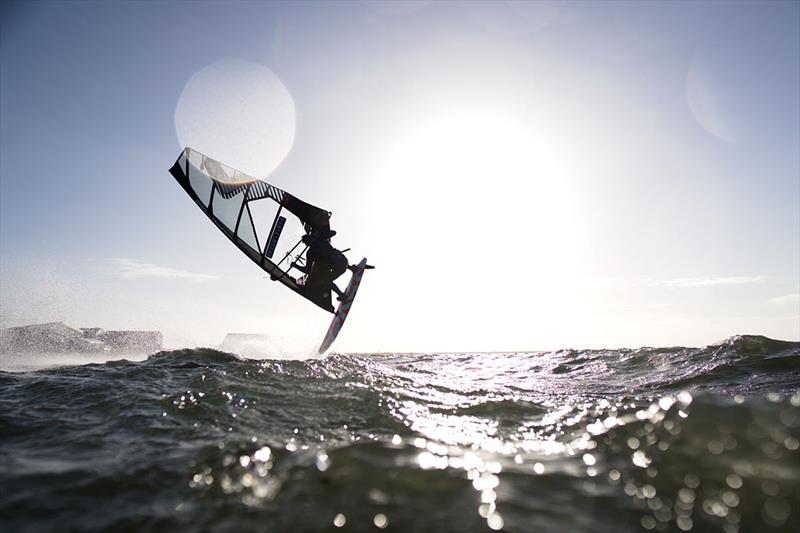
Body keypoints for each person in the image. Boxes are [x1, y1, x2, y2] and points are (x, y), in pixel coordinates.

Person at [293, 228, 349, 311]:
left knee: (326, 281)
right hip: (345, 262)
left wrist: (295, 265)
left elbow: (307, 270)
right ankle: (352, 267)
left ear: (306, 243)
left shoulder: (310, 252)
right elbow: (334, 232)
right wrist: (319, 233)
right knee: (328, 262)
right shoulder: (321, 239)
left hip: (340, 268)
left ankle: (342, 295)